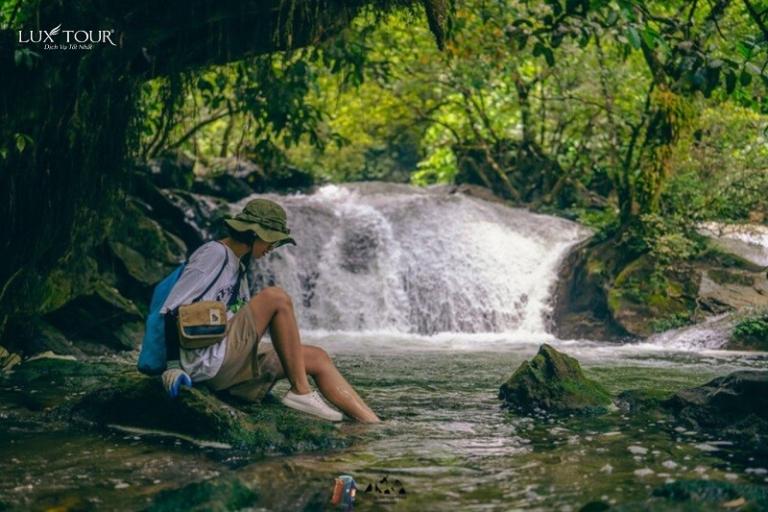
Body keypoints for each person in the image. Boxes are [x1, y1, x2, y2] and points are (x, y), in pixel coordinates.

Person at [160, 198, 380, 423]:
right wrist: (174, 366)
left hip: (226, 366)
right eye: (271, 242)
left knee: (318, 357)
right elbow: (171, 309)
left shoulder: (239, 267)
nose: (272, 249)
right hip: (203, 362)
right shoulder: (214, 253)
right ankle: (301, 392)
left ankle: (371, 423)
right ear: (255, 234)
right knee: (276, 297)